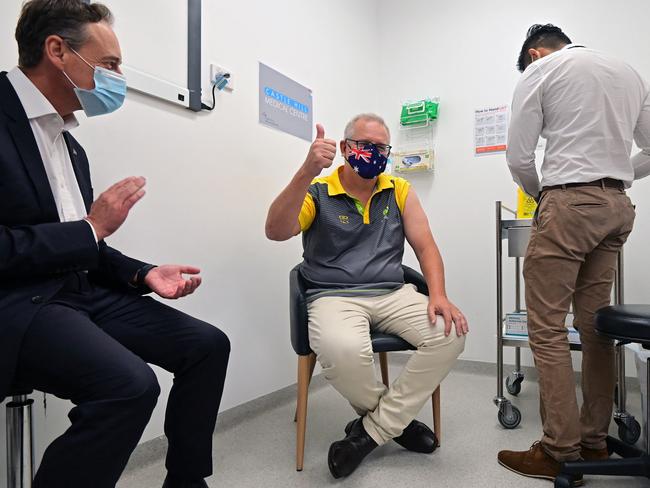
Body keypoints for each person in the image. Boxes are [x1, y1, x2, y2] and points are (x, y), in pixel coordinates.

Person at [0, 1, 230, 487]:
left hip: (78, 293)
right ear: (58, 51)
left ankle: (186, 481)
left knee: (208, 345)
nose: (119, 77)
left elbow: (83, 242)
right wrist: (91, 229)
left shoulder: (69, 144)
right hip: (19, 302)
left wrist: (142, 273)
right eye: (109, 65)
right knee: (129, 386)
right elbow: (78, 233)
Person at [266, 113, 468, 478]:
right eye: (365, 145)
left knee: (449, 334)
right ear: (345, 148)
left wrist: (437, 294)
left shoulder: (398, 189)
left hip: (391, 291)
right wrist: (306, 172)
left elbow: (426, 245)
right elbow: (275, 230)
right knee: (344, 350)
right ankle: (398, 424)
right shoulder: (318, 192)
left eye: (382, 147)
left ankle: (368, 433)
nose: (374, 154)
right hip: (332, 294)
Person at [498, 23, 650, 485]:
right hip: (617, 207)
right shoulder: (628, 72)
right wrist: (619, 172)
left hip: (568, 204)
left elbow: (520, 157)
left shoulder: (540, 69)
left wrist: (545, 196)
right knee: (596, 327)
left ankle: (558, 451)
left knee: (545, 329)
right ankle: (595, 442)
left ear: (535, 52)